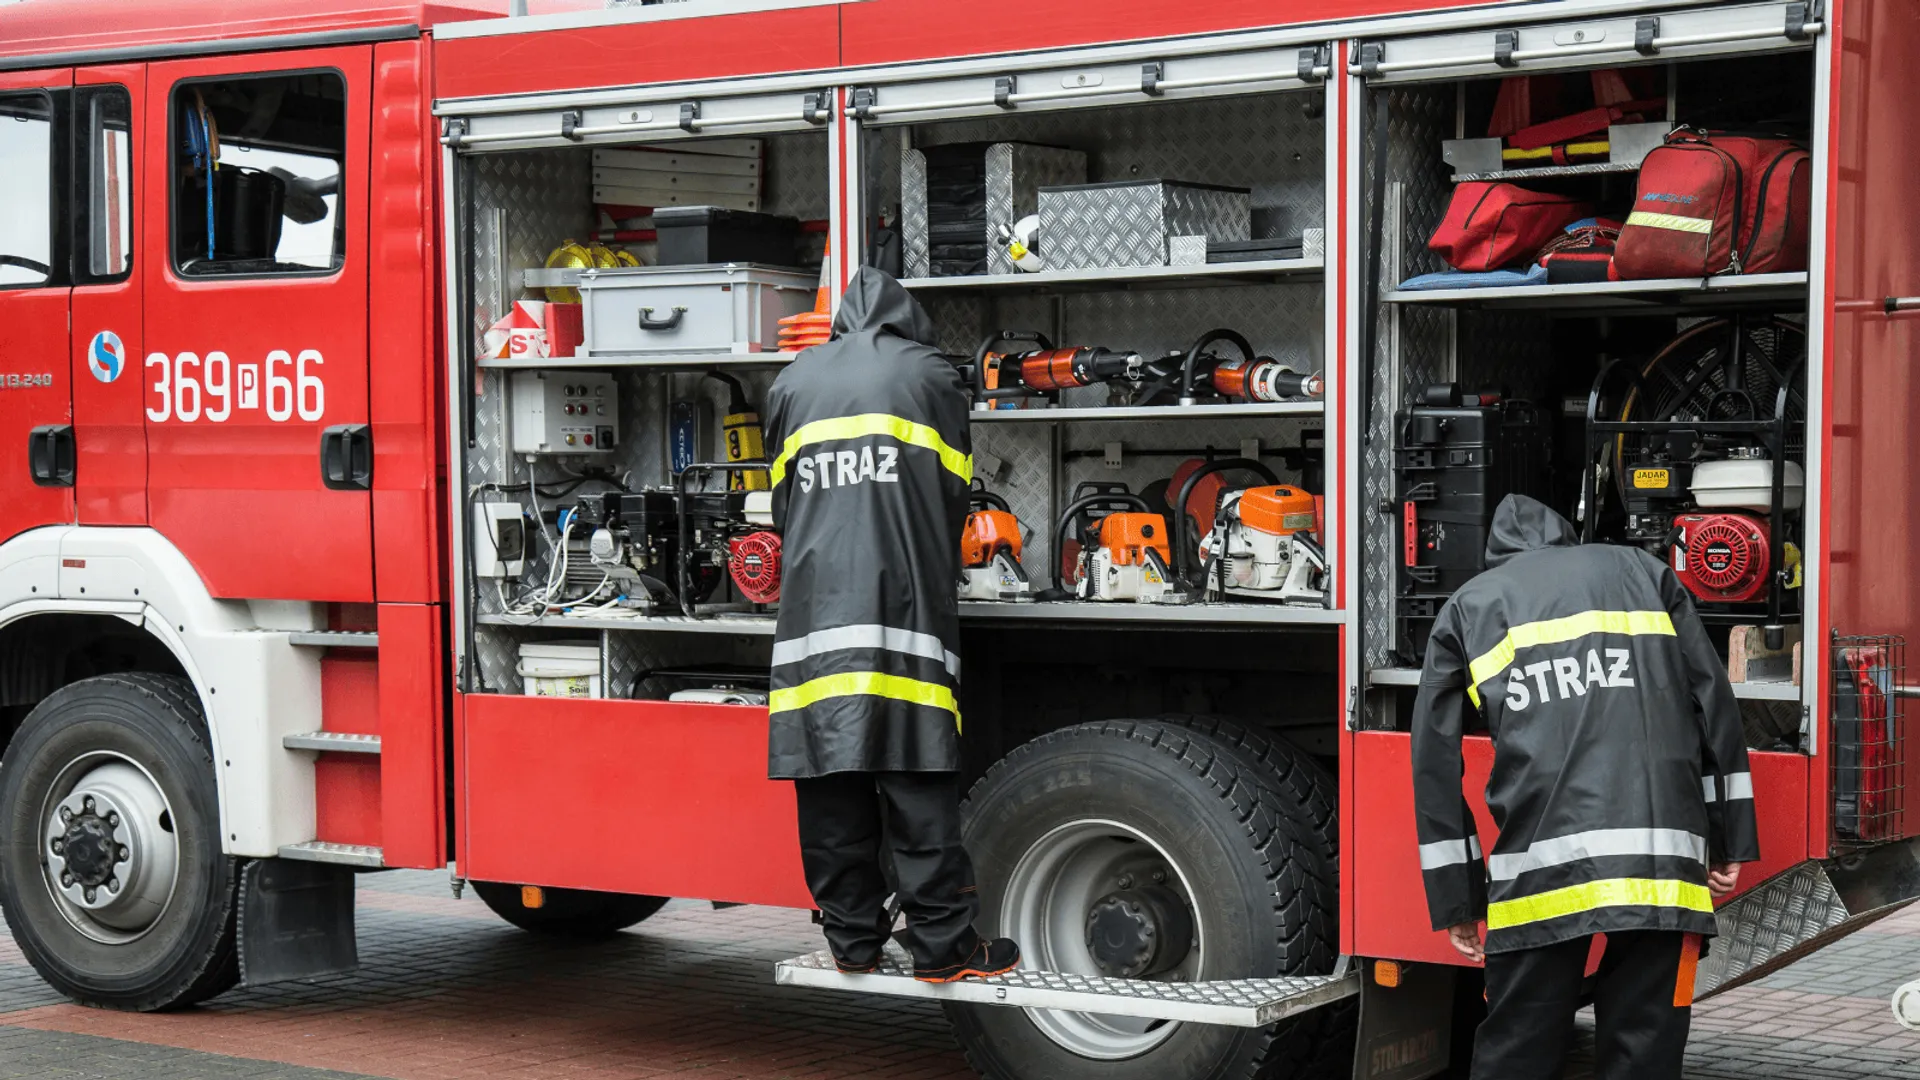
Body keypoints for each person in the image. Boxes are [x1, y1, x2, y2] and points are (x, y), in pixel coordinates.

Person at [1411, 494, 1759, 1080]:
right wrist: (1728, 838)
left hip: (1543, 876)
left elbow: (1434, 765)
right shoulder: (1643, 572)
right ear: (1567, 538)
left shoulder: (1471, 606)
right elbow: (1713, 705)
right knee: (1645, 1053)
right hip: (1661, 869)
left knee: (1517, 1052)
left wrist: (1458, 899)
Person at [763, 265, 1020, 984]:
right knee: (916, 782)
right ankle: (944, 949)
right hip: (901, 617)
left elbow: (785, 508)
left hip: (812, 621)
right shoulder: (932, 377)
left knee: (830, 780)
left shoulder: (793, 382)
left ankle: (852, 942)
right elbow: (950, 496)